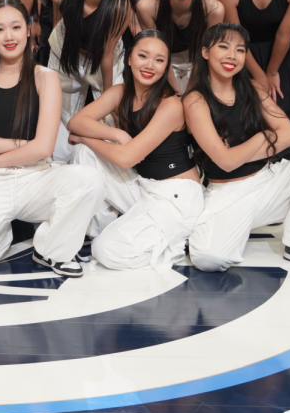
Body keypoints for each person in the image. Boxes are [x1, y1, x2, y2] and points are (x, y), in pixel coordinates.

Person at [0, 0, 102, 278]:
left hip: (35, 177)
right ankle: (1, 234)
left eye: (16, 27)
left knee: (88, 179)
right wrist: (21, 145)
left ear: (29, 30)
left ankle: (52, 249)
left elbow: (44, 148)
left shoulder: (45, 77)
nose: (9, 36)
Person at [184, 23, 290, 273]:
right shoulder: (195, 100)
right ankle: (201, 229)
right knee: (209, 258)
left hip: (269, 181)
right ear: (205, 53)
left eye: (239, 50)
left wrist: (236, 153)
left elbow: (289, 135)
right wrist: (263, 136)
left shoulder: (253, 88)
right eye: (223, 47)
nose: (231, 56)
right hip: (228, 191)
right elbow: (225, 163)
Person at [66, 29, 202, 269]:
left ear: (166, 66)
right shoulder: (120, 93)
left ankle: (178, 239)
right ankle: (103, 228)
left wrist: (88, 139)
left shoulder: (170, 104)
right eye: (143, 56)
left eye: (159, 60)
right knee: (83, 155)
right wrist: (115, 133)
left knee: (106, 251)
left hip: (175, 196)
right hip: (143, 185)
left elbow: (126, 158)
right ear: (129, 58)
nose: (150, 65)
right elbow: (76, 122)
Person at [47, 0, 131, 159]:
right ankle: (59, 159)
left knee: (108, 114)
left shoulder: (120, 7)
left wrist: (107, 97)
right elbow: (60, 26)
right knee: (58, 106)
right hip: (66, 49)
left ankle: (102, 159)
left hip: (103, 58)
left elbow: (105, 56)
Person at [136, 0, 224, 92]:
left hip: (198, 63)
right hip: (161, 63)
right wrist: (176, 92)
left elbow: (203, 54)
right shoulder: (147, 6)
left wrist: (190, 91)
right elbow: (156, 52)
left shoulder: (214, 9)